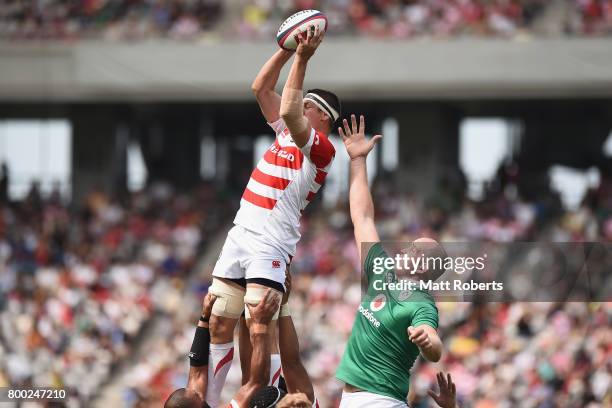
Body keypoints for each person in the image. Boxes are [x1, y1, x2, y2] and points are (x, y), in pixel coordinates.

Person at [206, 24, 341, 407]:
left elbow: (285, 106)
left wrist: (302, 58)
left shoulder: (321, 151)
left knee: (257, 323)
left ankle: (251, 399)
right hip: (241, 233)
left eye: (308, 107)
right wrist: (285, 49)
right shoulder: (286, 133)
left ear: (322, 118)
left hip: (270, 241)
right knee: (218, 320)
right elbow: (260, 90)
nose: (300, 108)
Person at [335, 115, 444, 407]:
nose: (405, 249)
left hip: (382, 401)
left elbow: (435, 347)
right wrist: (358, 160)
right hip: (350, 398)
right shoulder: (381, 270)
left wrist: (427, 341)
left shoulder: (422, 304)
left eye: (414, 249)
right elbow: (363, 217)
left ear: (422, 267)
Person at [164, 289, 280, 408]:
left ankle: (245, 311)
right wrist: (260, 327)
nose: (196, 392)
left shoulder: (196, 400)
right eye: (196, 395)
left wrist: (204, 318)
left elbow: (197, 370)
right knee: (257, 394)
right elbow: (258, 382)